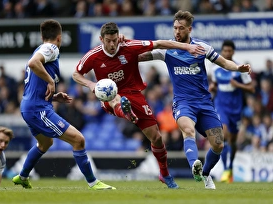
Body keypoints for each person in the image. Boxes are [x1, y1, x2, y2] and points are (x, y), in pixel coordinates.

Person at [72, 22, 205, 189]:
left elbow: (159, 43)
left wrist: (187, 47)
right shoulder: (93, 55)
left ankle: (164, 174)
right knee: (115, 97)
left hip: (134, 94)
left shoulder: (129, 46)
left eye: (114, 40)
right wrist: (91, 85)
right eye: (108, 41)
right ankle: (125, 112)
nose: (112, 44)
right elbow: (76, 74)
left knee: (156, 138)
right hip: (109, 94)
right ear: (101, 39)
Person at [138, 10, 251, 189]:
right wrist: (124, 50)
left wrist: (238, 68)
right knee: (188, 130)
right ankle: (194, 166)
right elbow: (138, 56)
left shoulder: (201, 48)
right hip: (183, 103)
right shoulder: (167, 50)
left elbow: (224, 62)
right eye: (175, 28)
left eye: (181, 28)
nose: (177, 32)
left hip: (204, 103)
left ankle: (205, 174)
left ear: (189, 29)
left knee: (219, 144)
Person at [12, 19, 115, 190]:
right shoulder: (51, 48)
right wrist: (50, 81)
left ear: (41, 36)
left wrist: (53, 96)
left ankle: (22, 176)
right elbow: (33, 63)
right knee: (78, 140)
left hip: (30, 105)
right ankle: (93, 183)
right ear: (59, 38)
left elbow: (34, 84)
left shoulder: (39, 49)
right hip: (38, 109)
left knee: (45, 144)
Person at [209, 40, 255, 183]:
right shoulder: (214, 68)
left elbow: (252, 88)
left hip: (236, 108)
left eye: (230, 51)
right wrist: (213, 88)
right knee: (223, 134)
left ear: (233, 52)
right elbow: (216, 84)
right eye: (225, 51)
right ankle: (225, 170)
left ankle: (230, 168)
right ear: (222, 51)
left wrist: (238, 85)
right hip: (221, 106)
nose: (227, 53)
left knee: (233, 141)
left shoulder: (240, 68)